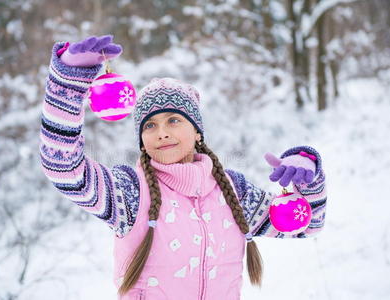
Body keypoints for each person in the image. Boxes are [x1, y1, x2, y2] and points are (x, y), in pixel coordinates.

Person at [39, 34, 327, 300]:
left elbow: (309, 225)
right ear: (141, 140)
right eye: (150, 125)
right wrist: (68, 83)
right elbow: (63, 168)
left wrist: (309, 177)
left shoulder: (234, 193)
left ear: (197, 131)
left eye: (173, 120)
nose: (162, 132)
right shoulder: (130, 193)